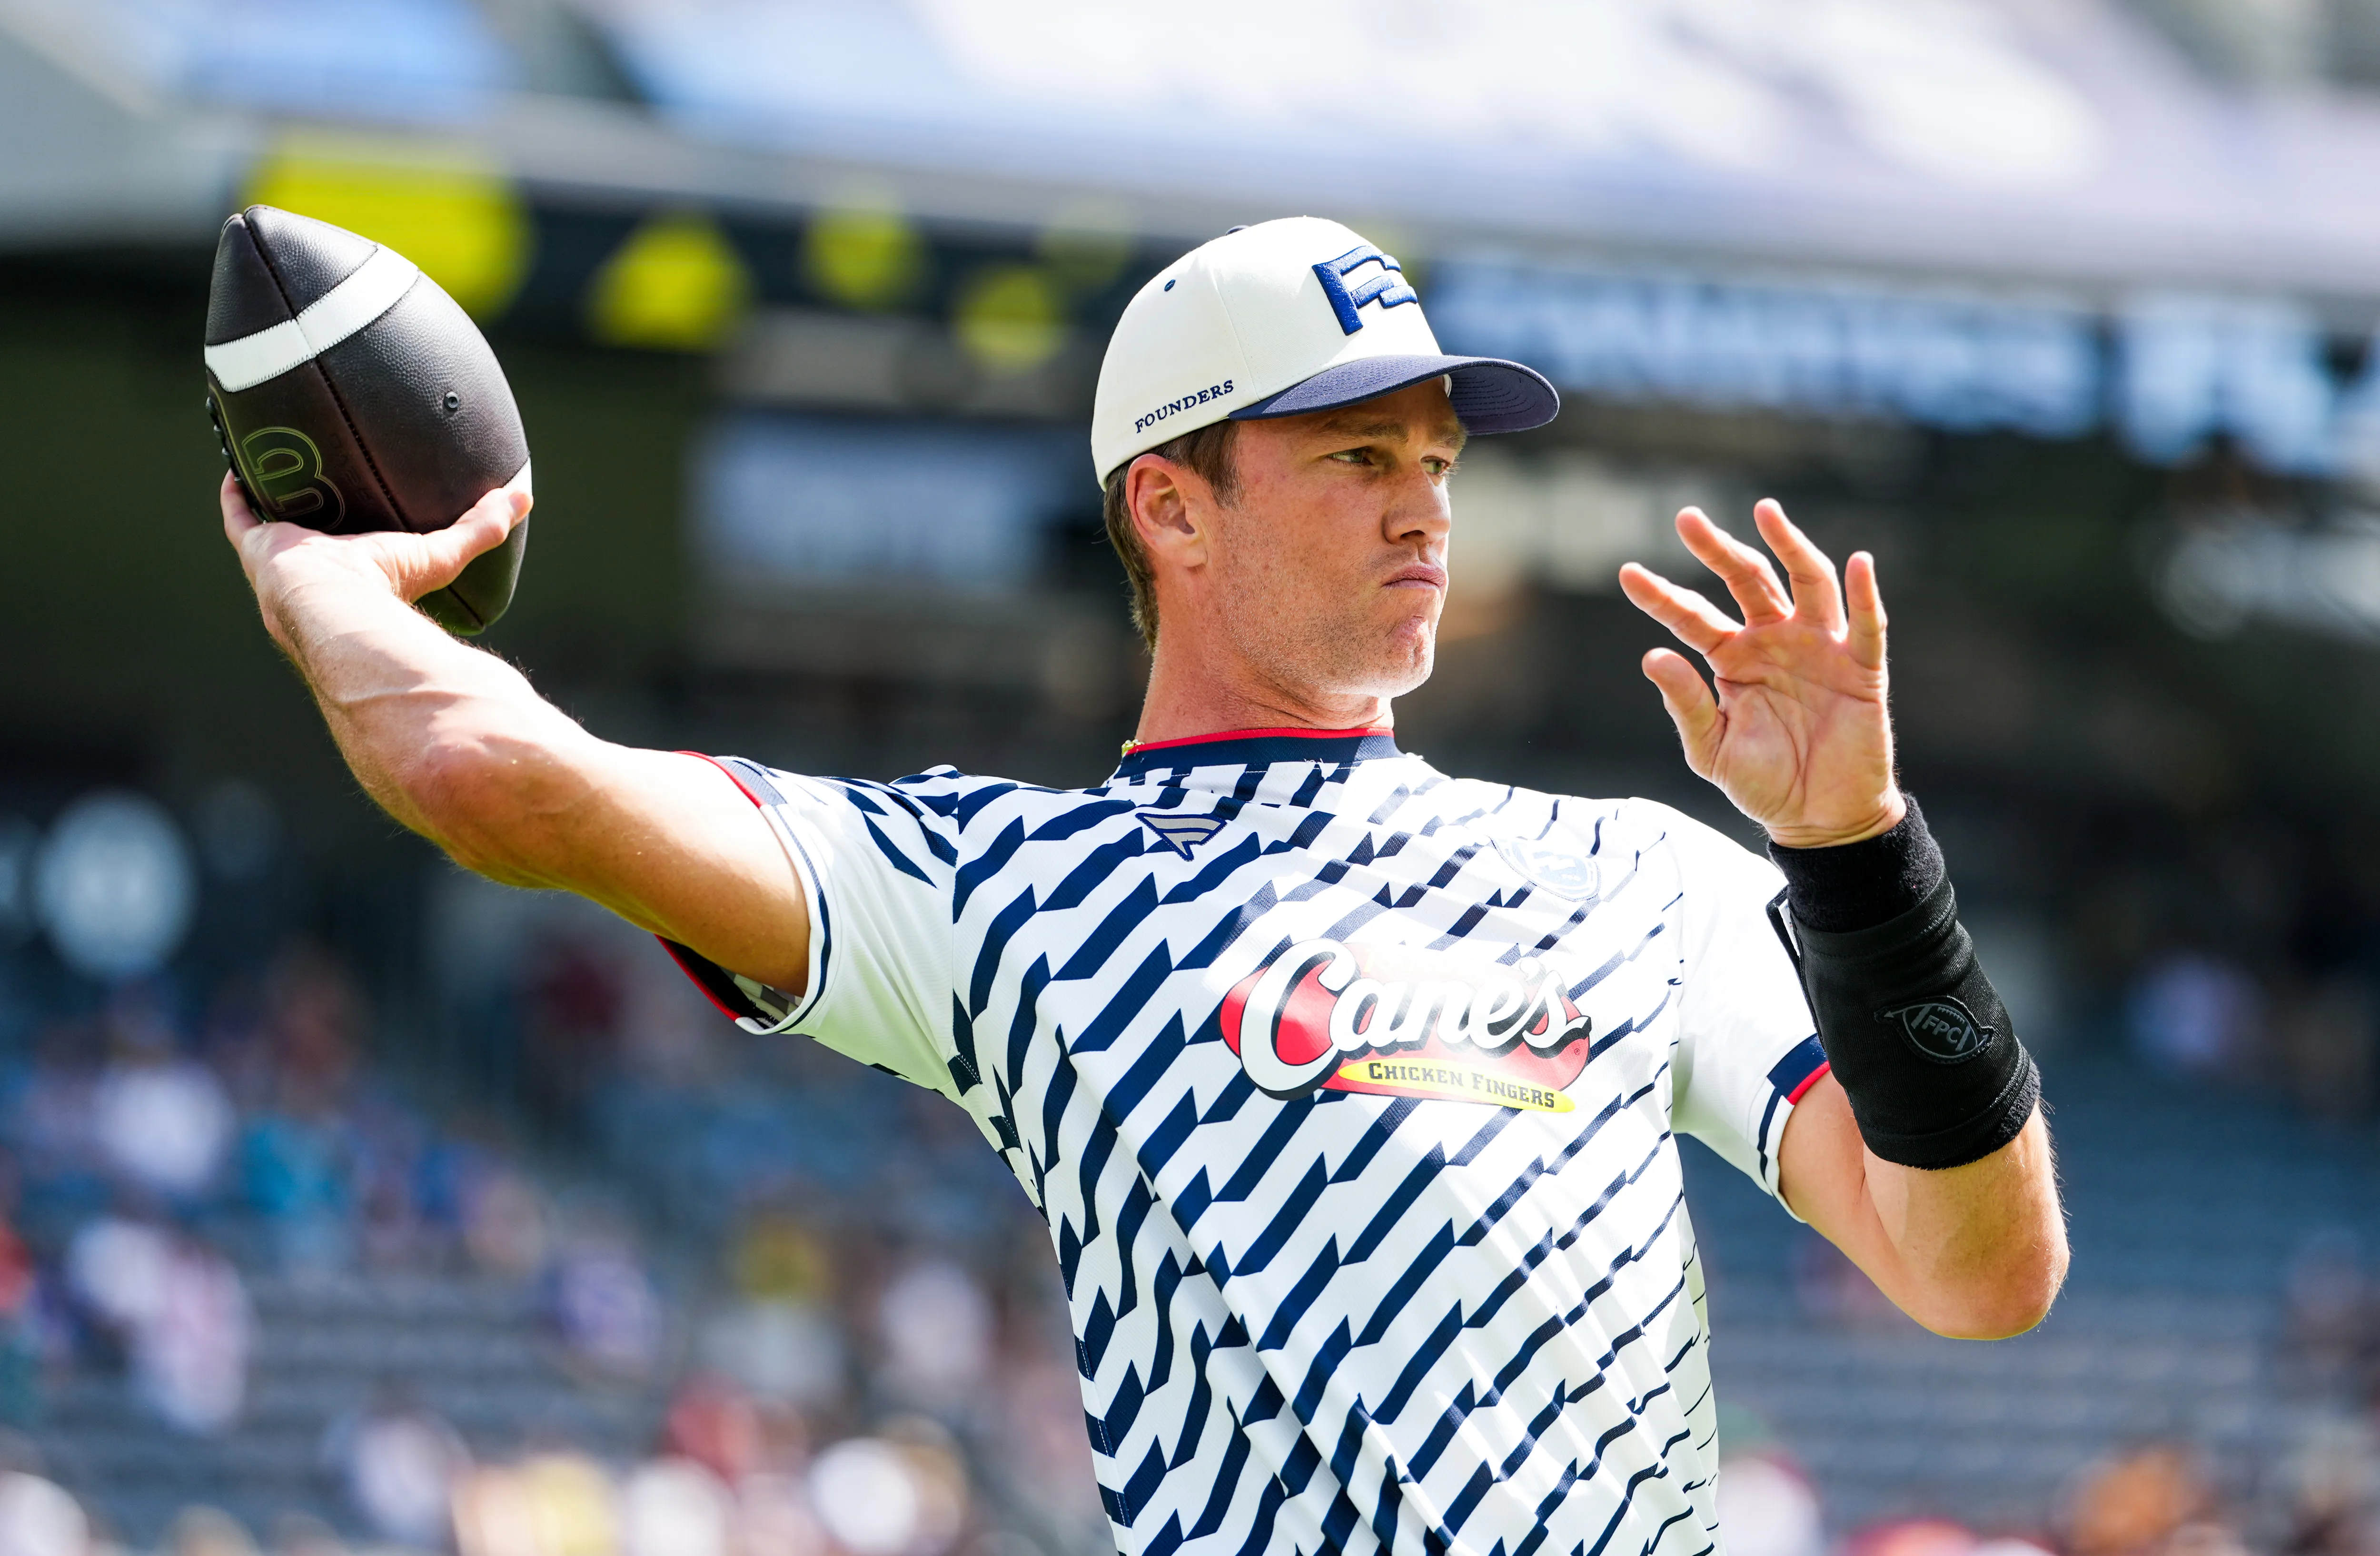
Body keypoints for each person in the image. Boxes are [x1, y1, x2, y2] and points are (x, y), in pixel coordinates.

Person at [218, 217, 2066, 1556]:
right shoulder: (1005, 890)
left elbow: (1979, 1270)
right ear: (1170, 510)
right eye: (1356, 456)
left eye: (1433, 458)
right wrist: (317, 579)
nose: (1425, 504)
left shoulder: (1633, 874)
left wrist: (1860, 851)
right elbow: (481, 769)